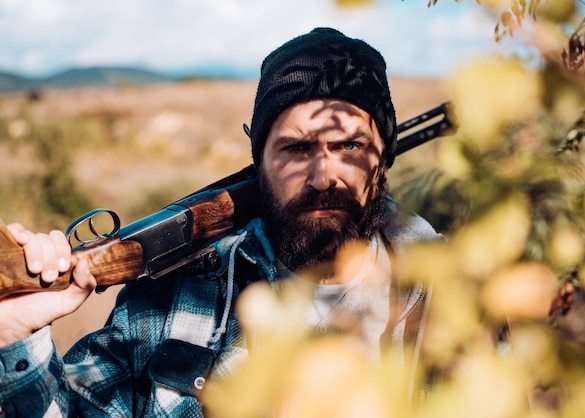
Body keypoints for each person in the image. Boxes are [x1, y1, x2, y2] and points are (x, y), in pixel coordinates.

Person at [0, 27, 443, 417]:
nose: (323, 175)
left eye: (348, 146)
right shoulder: (170, 298)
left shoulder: (456, 292)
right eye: (295, 148)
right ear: (260, 163)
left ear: (382, 159)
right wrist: (16, 335)